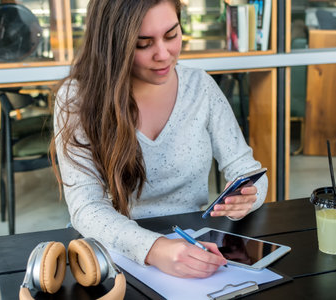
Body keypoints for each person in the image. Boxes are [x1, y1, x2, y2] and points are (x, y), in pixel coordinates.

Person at [51, 0, 268, 279]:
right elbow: (85, 207)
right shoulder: (75, 99)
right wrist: (155, 249)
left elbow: (248, 170)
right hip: (110, 254)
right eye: (143, 44)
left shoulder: (199, 86)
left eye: (171, 35)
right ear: (112, 45)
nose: (164, 54)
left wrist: (248, 197)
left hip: (191, 242)